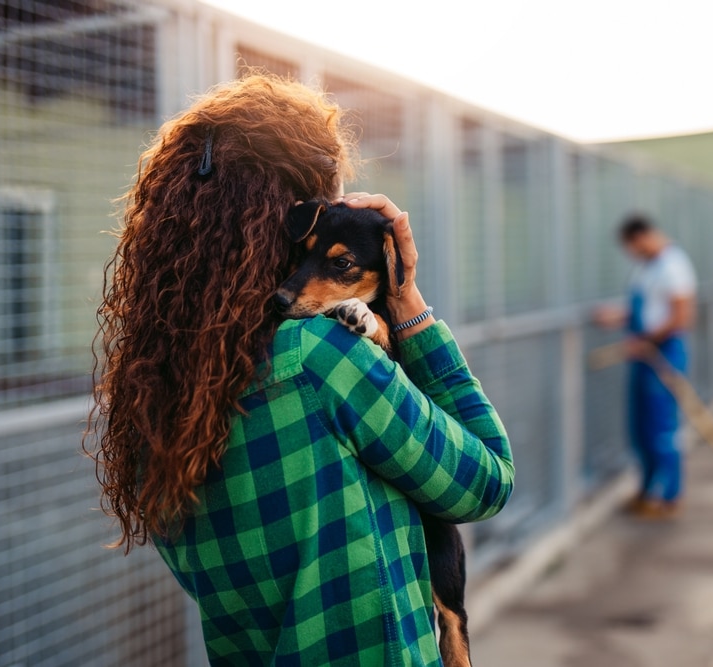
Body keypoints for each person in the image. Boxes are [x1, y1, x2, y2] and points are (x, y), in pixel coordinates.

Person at [85, 74, 514, 665]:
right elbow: (488, 480)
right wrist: (408, 303)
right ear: (283, 219)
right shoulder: (321, 356)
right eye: (331, 197)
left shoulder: (156, 394)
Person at [595, 214, 697, 520]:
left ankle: (669, 497)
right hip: (643, 356)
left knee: (662, 428)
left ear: (643, 237)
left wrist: (648, 340)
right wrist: (619, 317)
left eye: (633, 246)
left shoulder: (674, 265)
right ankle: (647, 490)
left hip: (663, 355)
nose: (633, 253)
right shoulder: (647, 267)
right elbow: (647, 309)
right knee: (641, 427)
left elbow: (681, 316)